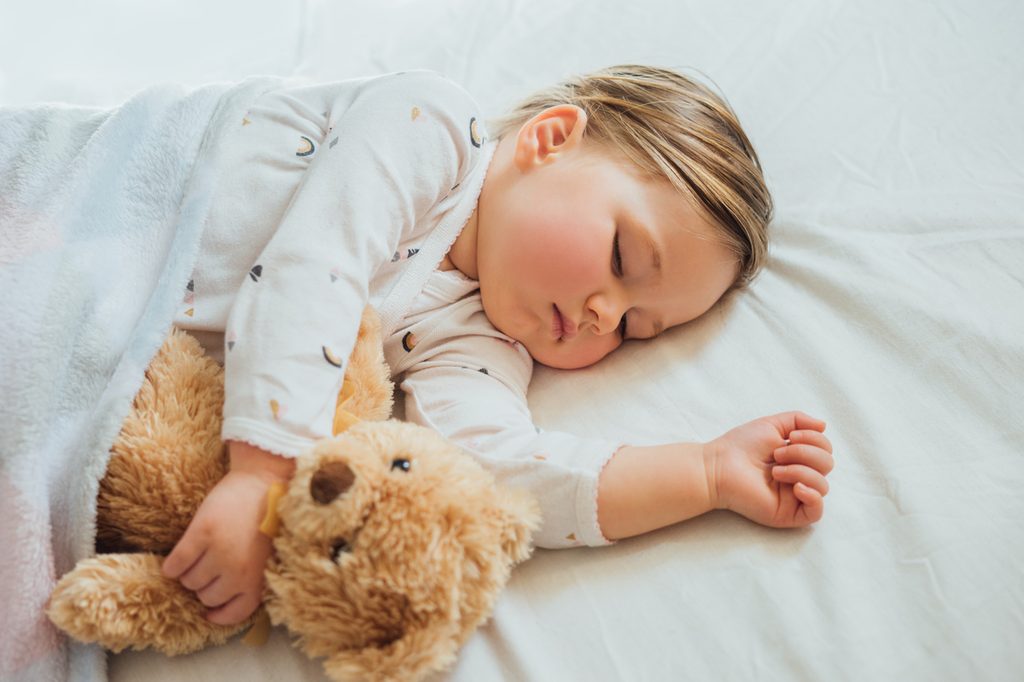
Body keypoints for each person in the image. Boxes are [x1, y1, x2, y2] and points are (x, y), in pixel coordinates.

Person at [161, 65, 834, 626]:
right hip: (107, 199)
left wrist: (707, 474)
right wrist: (262, 473)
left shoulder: (479, 341)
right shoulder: (435, 129)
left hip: (123, 348)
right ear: (550, 140)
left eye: (635, 328)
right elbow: (317, 262)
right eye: (623, 259)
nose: (606, 315)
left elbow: (504, 468)